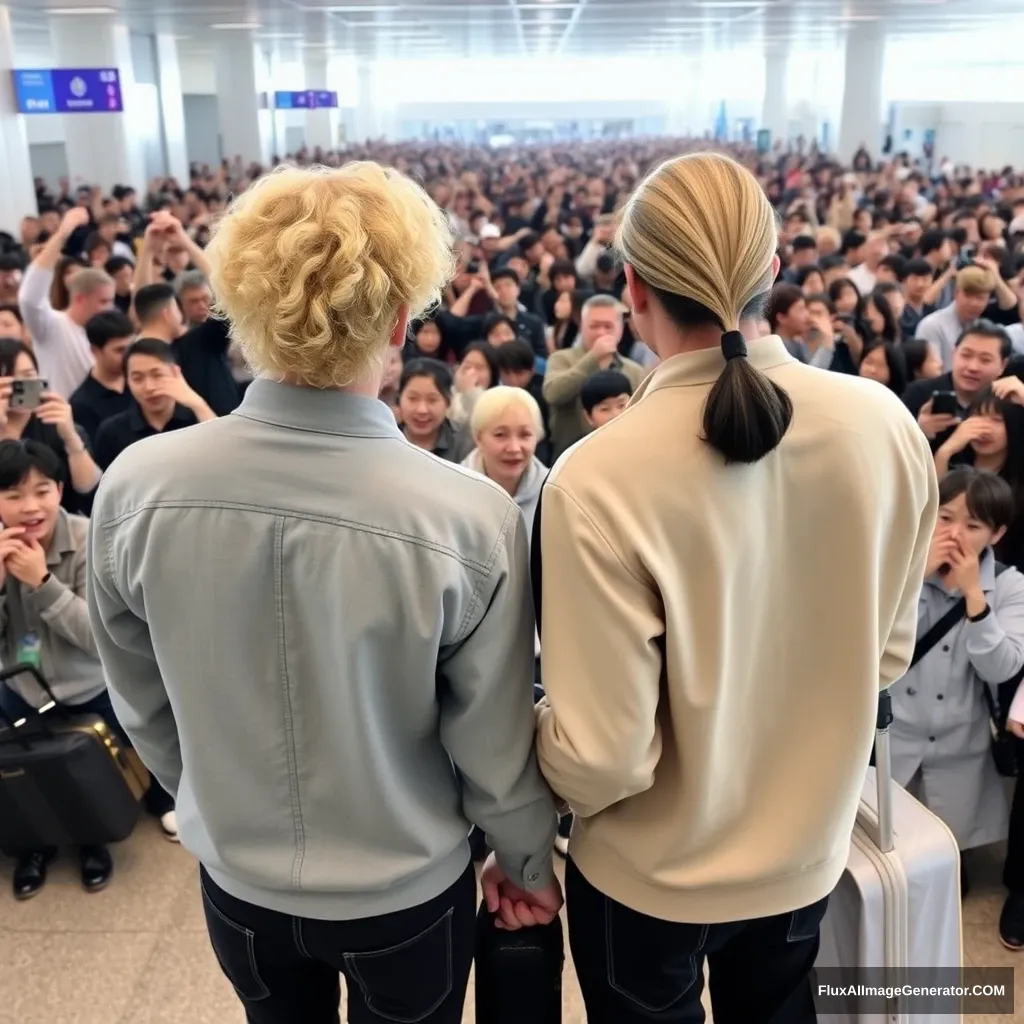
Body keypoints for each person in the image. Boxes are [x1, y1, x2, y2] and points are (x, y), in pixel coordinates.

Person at [86, 161, 559, 1024]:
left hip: (237, 883)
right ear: (402, 320)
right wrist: (526, 863)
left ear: (242, 307)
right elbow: (492, 740)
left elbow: (141, 699)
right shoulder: (469, 515)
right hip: (406, 889)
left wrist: (213, 794)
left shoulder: (136, 485)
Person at [531, 152, 936, 1024]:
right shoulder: (885, 424)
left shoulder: (596, 475)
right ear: (776, 272)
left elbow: (605, 757)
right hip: (804, 855)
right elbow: (886, 656)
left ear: (631, 288)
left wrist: (527, 740)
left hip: (650, 880)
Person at [0, 440, 174, 900]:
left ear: (60, 489)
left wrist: (41, 582)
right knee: (23, 769)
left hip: (88, 684)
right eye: (13, 495)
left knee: (88, 770)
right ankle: (32, 843)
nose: (29, 507)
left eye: (41, 491)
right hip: (21, 684)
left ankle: (93, 838)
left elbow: (101, 640)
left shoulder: (90, 539)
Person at [889, 469, 1023, 899]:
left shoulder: (1010, 585)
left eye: (973, 525)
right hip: (894, 734)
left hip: (961, 739)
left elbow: (1002, 668)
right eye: (945, 518)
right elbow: (872, 645)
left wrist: (975, 599)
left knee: (947, 852)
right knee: (887, 850)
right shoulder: (898, 566)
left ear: (997, 533)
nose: (955, 534)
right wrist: (912, 578)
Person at [18, 205, 116, 397]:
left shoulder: (109, 333)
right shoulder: (53, 326)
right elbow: (29, 298)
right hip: (60, 421)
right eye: (103, 301)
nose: (110, 308)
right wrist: (64, 231)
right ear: (80, 298)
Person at [0, 339, 100, 516]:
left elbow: (89, 489)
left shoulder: (56, 425)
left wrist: (70, 437)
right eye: (9, 379)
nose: (20, 386)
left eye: (28, 376)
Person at [542, 294, 645, 457]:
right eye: (594, 326)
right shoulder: (561, 359)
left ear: (620, 329)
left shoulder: (634, 371)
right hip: (568, 457)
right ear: (582, 327)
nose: (601, 333)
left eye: (608, 326)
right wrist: (592, 358)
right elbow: (553, 394)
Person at [93, 339, 214, 471]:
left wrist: (199, 406)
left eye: (157, 375)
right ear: (127, 381)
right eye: (137, 379)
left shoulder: (199, 418)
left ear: (176, 373)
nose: (149, 387)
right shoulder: (112, 432)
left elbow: (223, 456)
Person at [903, 320, 1012, 451]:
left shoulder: (1008, 398)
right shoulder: (918, 393)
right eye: (966, 355)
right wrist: (919, 432)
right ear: (954, 354)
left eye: (985, 360)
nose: (973, 367)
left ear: (1003, 365)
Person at [69, 310, 134, 444]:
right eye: (120, 350)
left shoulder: (139, 383)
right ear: (95, 351)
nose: (128, 356)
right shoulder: (81, 405)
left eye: (131, 348)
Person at [916, 267, 996, 370]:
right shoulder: (932, 326)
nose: (974, 303)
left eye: (980, 298)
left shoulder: (986, 329)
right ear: (956, 293)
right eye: (968, 296)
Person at [397, 358, 474, 462]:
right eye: (413, 398)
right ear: (399, 398)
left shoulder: (464, 442)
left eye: (432, 400)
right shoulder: (386, 437)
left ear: (448, 401)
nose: (422, 410)